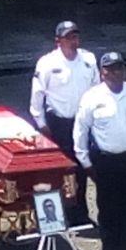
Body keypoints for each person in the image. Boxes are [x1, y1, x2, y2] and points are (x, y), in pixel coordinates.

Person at [73, 52, 126, 250]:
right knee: (109, 211)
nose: (116, 72)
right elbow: (80, 131)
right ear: (102, 72)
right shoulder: (92, 97)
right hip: (106, 161)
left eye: (119, 68)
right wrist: (85, 162)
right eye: (111, 69)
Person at [31, 21, 99, 224]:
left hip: (83, 122)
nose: (73, 41)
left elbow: (97, 90)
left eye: (75, 36)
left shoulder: (88, 59)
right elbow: (37, 95)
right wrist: (41, 123)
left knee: (81, 167)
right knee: (60, 170)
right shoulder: (47, 63)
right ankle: (58, 215)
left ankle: (79, 214)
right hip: (58, 122)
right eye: (68, 37)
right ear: (57, 41)